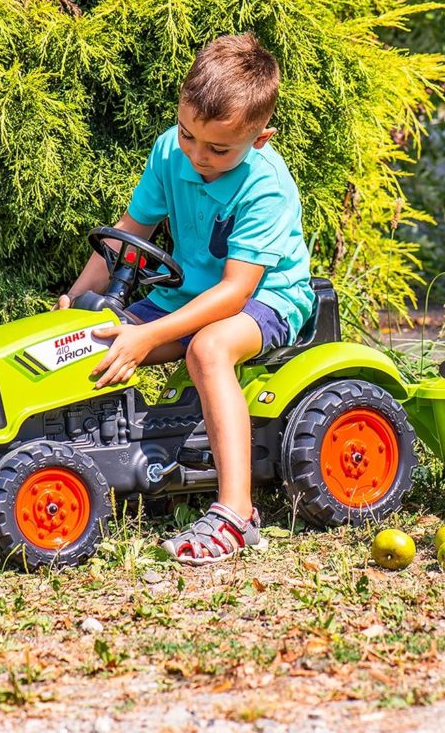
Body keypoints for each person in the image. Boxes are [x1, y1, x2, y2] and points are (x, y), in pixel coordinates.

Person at [59, 32, 315, 564]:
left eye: (218, 148)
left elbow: (235, 291)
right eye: (188, 135)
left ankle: (237, 515)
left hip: (264, 299)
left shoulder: (265, 187)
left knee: (208, 349)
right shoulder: (169, 152)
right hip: (189, 293)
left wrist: (148, 333)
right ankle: (81, 465)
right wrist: (77, 298)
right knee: (86, 340)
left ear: (260, 138)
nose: (198, 155)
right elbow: (132, 228)